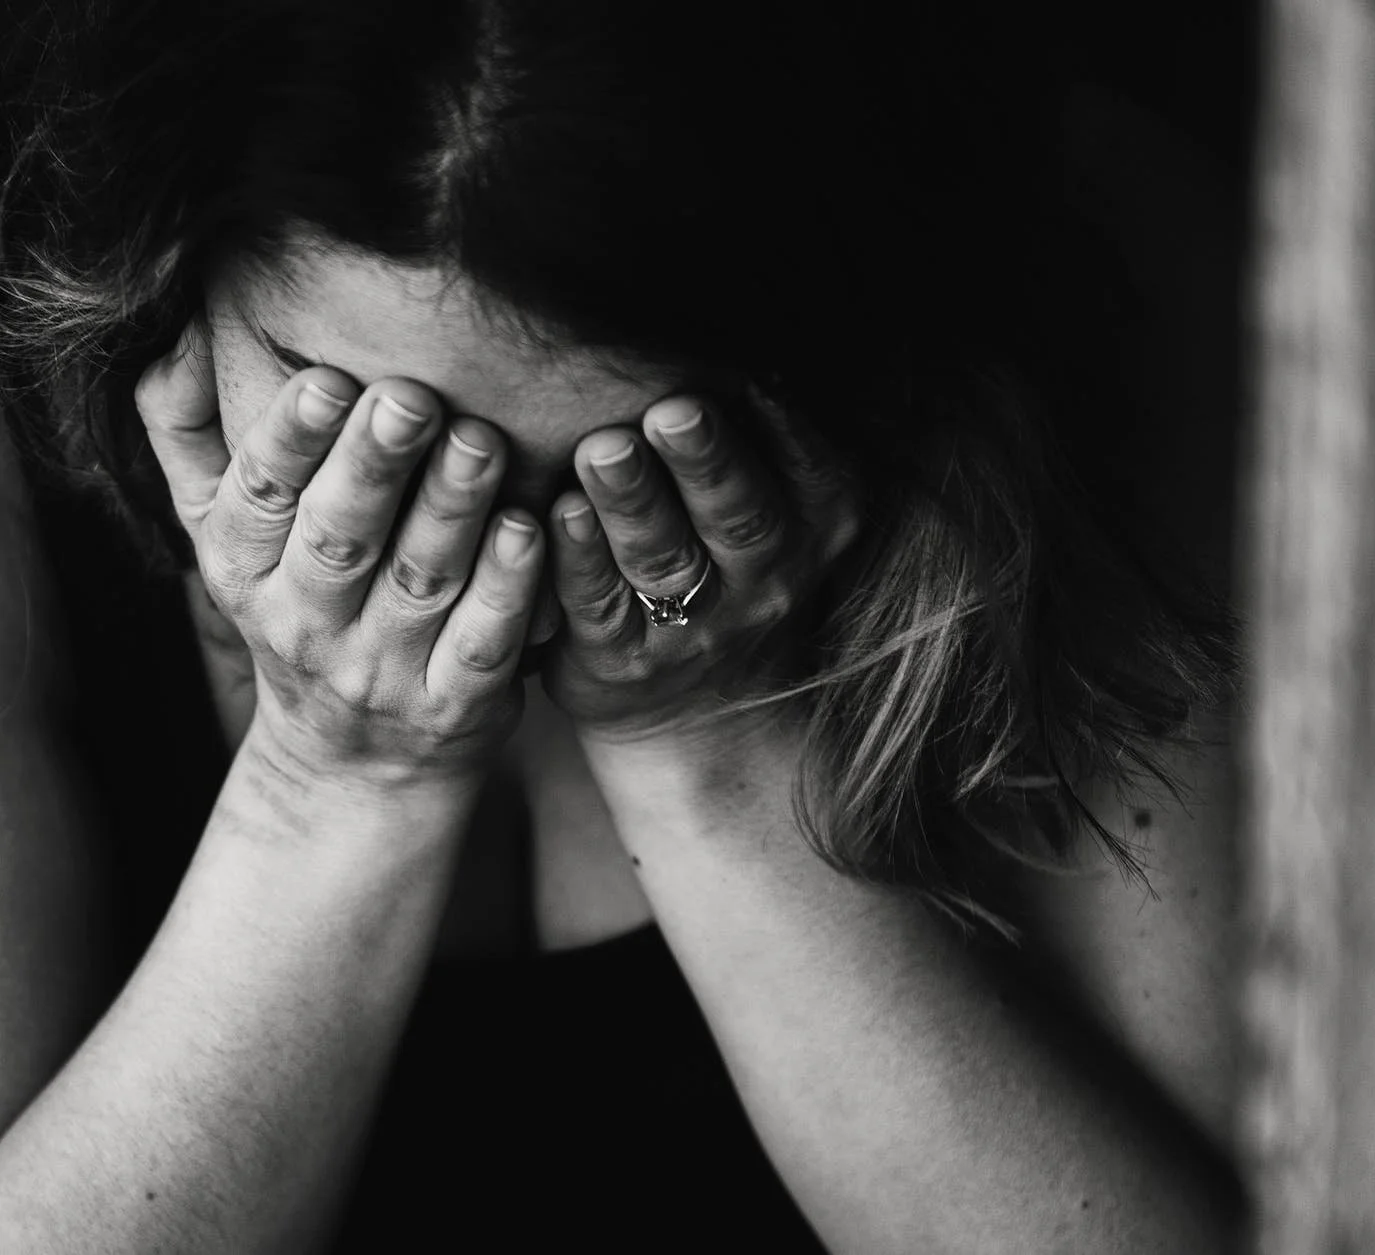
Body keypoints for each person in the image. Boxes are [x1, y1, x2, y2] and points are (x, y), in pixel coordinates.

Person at [0, 1, 1246, 1249]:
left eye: (619, 466)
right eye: (363, 429)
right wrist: (325, 782)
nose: (485, 555)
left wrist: (706, 749)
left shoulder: (1093, 280)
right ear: (164, 263)